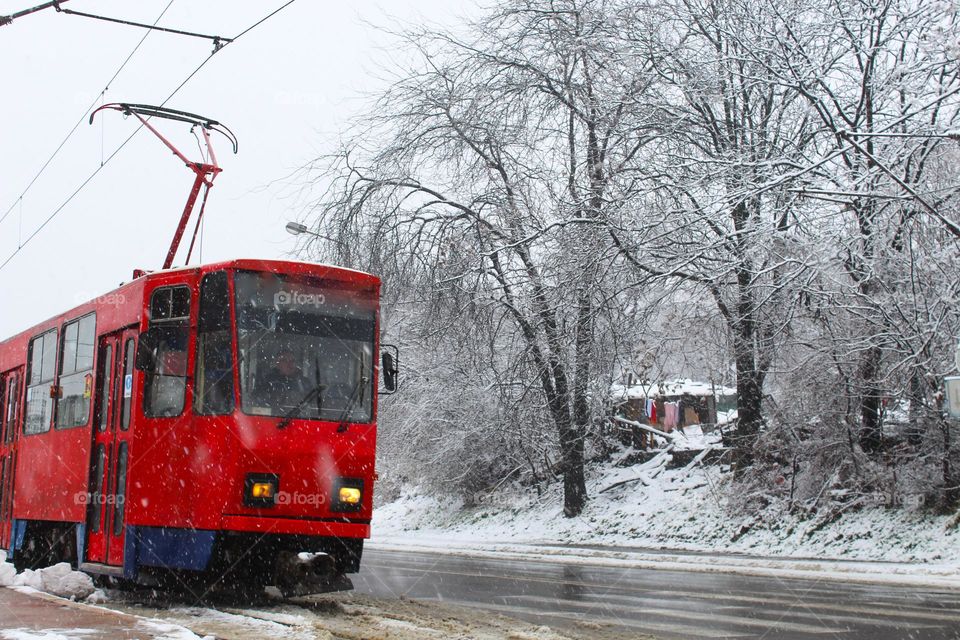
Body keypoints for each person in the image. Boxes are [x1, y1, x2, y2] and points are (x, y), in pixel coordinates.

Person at [257, 349, 316, 414]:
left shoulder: (305, 382)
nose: (289, 364)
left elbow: (314, 404)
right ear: (277, 363)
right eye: (285, 361)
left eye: (292, 361)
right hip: (273, 420)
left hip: (301, 419)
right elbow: (258, 403)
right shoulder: (267, 381)